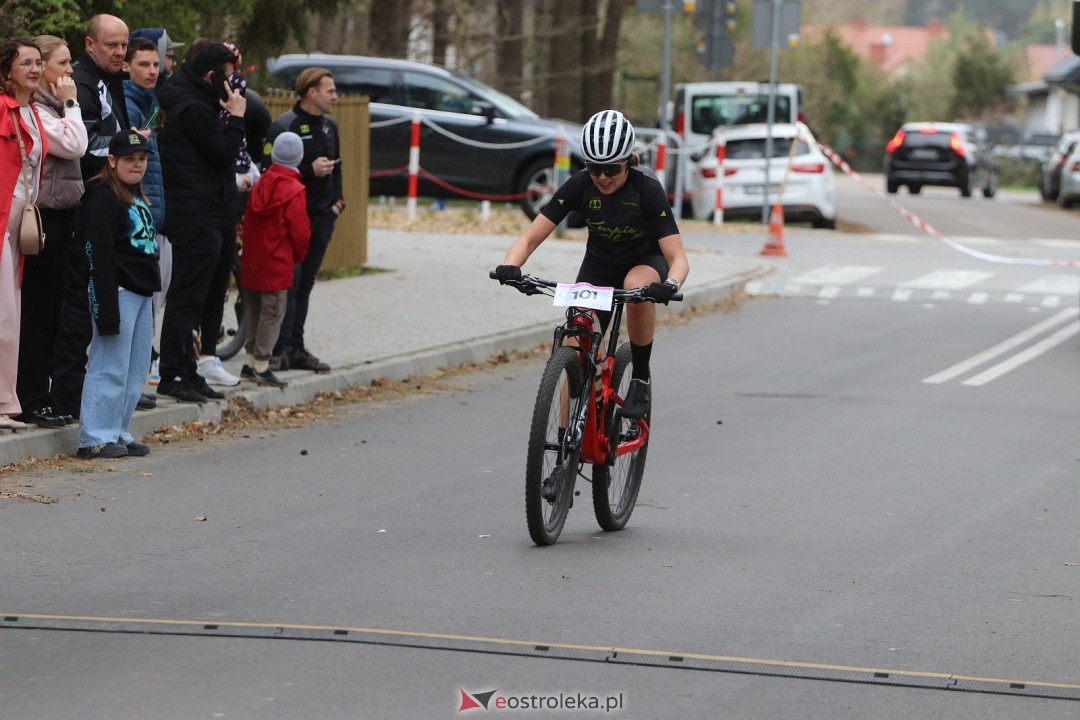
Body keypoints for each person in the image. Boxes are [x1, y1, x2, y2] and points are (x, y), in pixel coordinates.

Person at [495, 110, 689, 419]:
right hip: (599, 265)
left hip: (644, 261)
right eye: (595, 167)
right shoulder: (580, 185)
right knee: (574, 344)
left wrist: (670, 285)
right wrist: (510, 265)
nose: (602, 176)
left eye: (611, 168)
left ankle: (639, 378)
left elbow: (677, 258)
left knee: (636, 289)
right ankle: (562, 450)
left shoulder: (647, 189)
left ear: (627, 162)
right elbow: (530, 237)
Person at [52, 13, 136, 420]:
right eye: (111, 45)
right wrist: (124, 147)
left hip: (108, 205)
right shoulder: (83, 84)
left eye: (124, 45)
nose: (120, 53)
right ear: (90, 45)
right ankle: (65, 395)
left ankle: (88, 394)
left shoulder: (113, 82)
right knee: (78, 308)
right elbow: (84, 148)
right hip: (83, 210)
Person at [156, 42, 246, 404]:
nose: (232, 84)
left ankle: (189, 368)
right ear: (211, 76)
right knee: (187, 295)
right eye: (227, 76)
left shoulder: (198, 98)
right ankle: (173, 372)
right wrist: (236, 117)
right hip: (195, 212)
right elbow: (223, 154)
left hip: (214, 208)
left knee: (208, 293)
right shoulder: (191, 106)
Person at [15, 35, 88, 429]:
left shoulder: (54, 107)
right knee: (38, 313)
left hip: (64, 215)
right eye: (62, 63)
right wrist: (73, 104)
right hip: (39, 217)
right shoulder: (39, 111)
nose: (69, 72)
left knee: (57, 310)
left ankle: (50, 394)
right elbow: (76, 144)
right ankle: (32, 397)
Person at [76, 131, 159, 459]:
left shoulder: (134, 194)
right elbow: (97, 250)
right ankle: (93, 437)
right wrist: (104, 302)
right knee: (109, 363)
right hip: (119, 289)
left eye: (142, 159)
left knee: (135, 369)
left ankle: (117, 430)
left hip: (142, 291)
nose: (137, 165)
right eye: (130, 159)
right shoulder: (102, 195)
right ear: (112, 160)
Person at [265, 66, 344, 374]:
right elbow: (268, 173)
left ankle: (296, 347)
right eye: (330, 91)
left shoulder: (329, 126)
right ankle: (279, 348)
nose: (335, 97)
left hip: (323, 216)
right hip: (292, 219)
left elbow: (337, 167)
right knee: (289, 282)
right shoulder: (285, 125)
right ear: (312, 93)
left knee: (306, 284)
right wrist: (309, 170)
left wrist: (339, 202)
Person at [0, 38, 48, 432]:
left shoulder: (32, 109)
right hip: (3, 216)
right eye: (25, 63)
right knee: (3, 311)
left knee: (11, 310)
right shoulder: (3, 108)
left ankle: (5, 399)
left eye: (38, 62)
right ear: (7, 70)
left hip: (21, 219)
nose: (34, 69)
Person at [239, 132, 310, 387]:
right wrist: (297, 257)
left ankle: (248, 361)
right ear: (299, 157)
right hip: (277, 263)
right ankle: (262, 364)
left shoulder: (260, 183)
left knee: (253, 311)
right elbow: (300, 232)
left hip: (253, 261)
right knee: (272, 313)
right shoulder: (295, 190)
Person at [122, 36, 169, 385]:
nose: (152, 71)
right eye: (143, 64)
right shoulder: (127, 101)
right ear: (127, 67)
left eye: (156, 64)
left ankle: (139, 374)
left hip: (152, 214)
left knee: (153, 301)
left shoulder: (150, 100)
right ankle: (131, 376)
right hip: (134, 215)